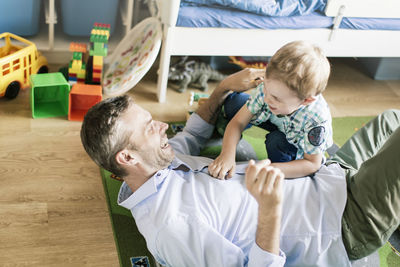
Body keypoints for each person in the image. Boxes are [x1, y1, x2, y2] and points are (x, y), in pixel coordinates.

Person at [80, 68, 400, 267]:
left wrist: (224, 87)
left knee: (392, 119)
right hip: (341, 222)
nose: (164, 126)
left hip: (328, 175)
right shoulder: (171, 226)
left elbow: (194, 132)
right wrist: (270, 210)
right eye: (150, 127)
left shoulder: (159, 163)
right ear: (127, 158)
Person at [209, 40, 332, 179]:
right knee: (234, 103)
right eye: (266, 88)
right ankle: (225, 134)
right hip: (276, 118)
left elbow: (312, 164)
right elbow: (238, 122)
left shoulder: (316, 121)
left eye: (276, 98)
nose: (267, 99)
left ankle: (281, 166)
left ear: (306, 100)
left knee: (276, 141)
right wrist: (227, 154)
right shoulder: (270, 90)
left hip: (294, 141)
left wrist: (271, 169)